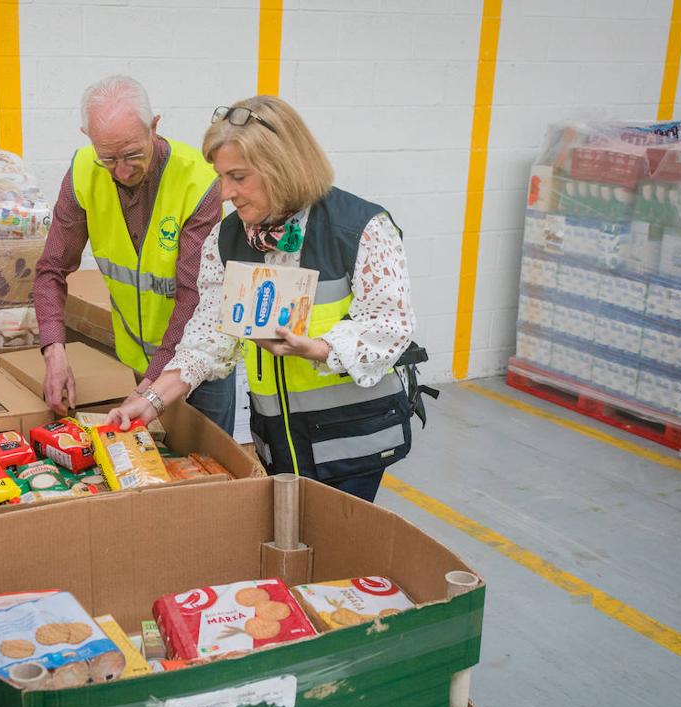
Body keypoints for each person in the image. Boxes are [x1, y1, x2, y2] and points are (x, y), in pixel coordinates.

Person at [108, 96, 418, 502]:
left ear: (282, 166)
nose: (225, 193)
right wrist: (150, 401)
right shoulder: (228, 240)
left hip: (351, 442)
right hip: (280, 440)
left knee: (334, 556)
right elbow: (208, 337)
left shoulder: (358, 228)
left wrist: (318, 348)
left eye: (238, 176)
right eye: (221, 176)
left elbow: (389, 326)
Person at [32, 75, 237, 435]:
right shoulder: (83, 172)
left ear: (154, 126)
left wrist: (152, 390)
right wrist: (54, 352)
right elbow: (51, 269)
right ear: (87, 137)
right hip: (133, 363)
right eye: (108, 158)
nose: (122, 171)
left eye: (132, 155)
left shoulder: (197, 182)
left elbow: (193, 296)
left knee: (205, 474)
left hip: (197, 365)